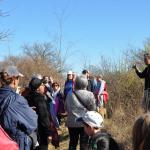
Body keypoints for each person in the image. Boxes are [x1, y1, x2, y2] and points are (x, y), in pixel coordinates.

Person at [0, 66, 38, 150]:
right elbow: (32, 123)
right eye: (18, 78)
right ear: (14, 80)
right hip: (16, 143)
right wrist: (30, 112)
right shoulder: (16, 99)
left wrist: (23, 109)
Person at [65, 75, 96, 150]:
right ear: (86, 83)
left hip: (72, 122)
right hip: (85, 123)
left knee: (72, 143)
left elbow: (66, 108)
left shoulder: (69, 94)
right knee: (84, 144)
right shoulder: (90, 94)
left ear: (76, 83)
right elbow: (93, 110)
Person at [29, 77, 52, 150]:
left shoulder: (27, 97)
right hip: (41, 132)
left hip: (30, 133)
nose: (44, 86)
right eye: (42, 85)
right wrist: (48, 133)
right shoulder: (40, 99)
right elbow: (43, 116)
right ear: (37, 88)